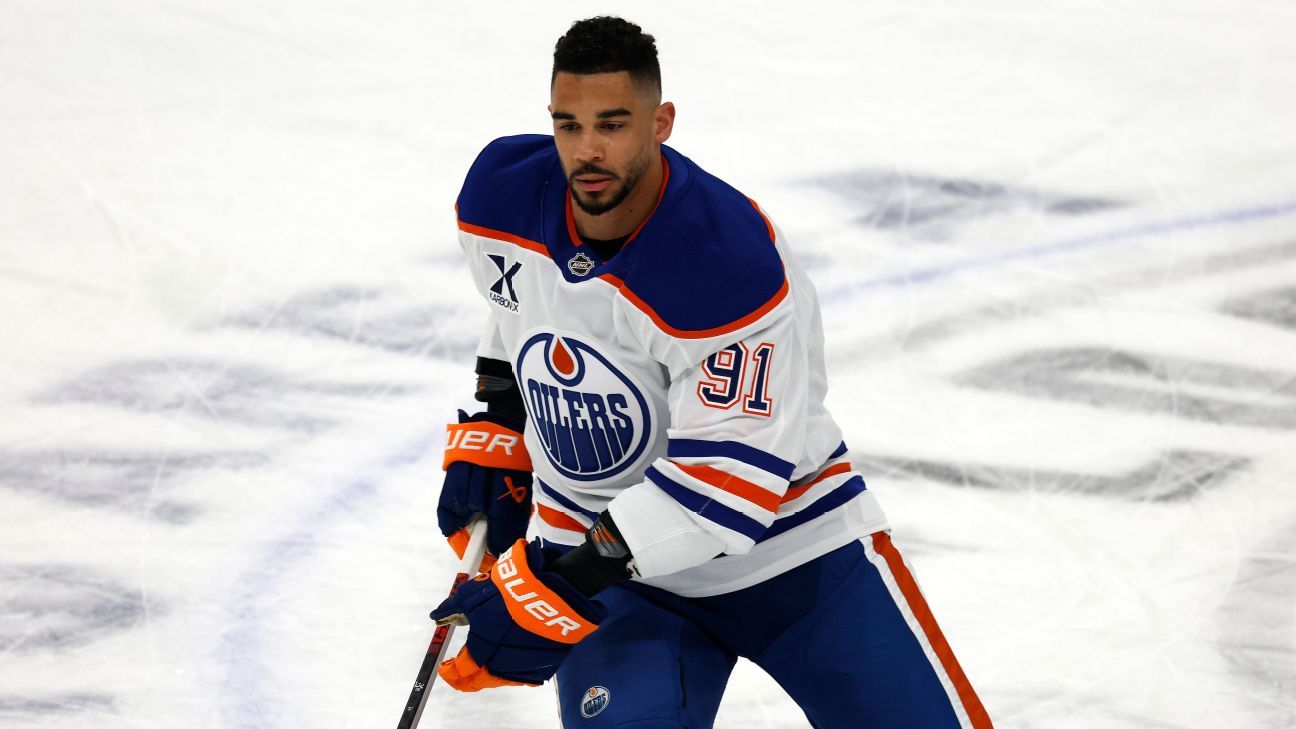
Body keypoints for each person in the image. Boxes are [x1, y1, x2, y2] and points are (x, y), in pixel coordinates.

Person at [431, 16, 993, 729]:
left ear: (660, 122)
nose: (587, 150)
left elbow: (719, 492)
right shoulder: (501, 196)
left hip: (790, 552)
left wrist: (554, 583)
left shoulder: (724, 264)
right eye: (568, 126)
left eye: (613, 124)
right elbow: (517, 300)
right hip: (614, 571)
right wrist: (501, 415)